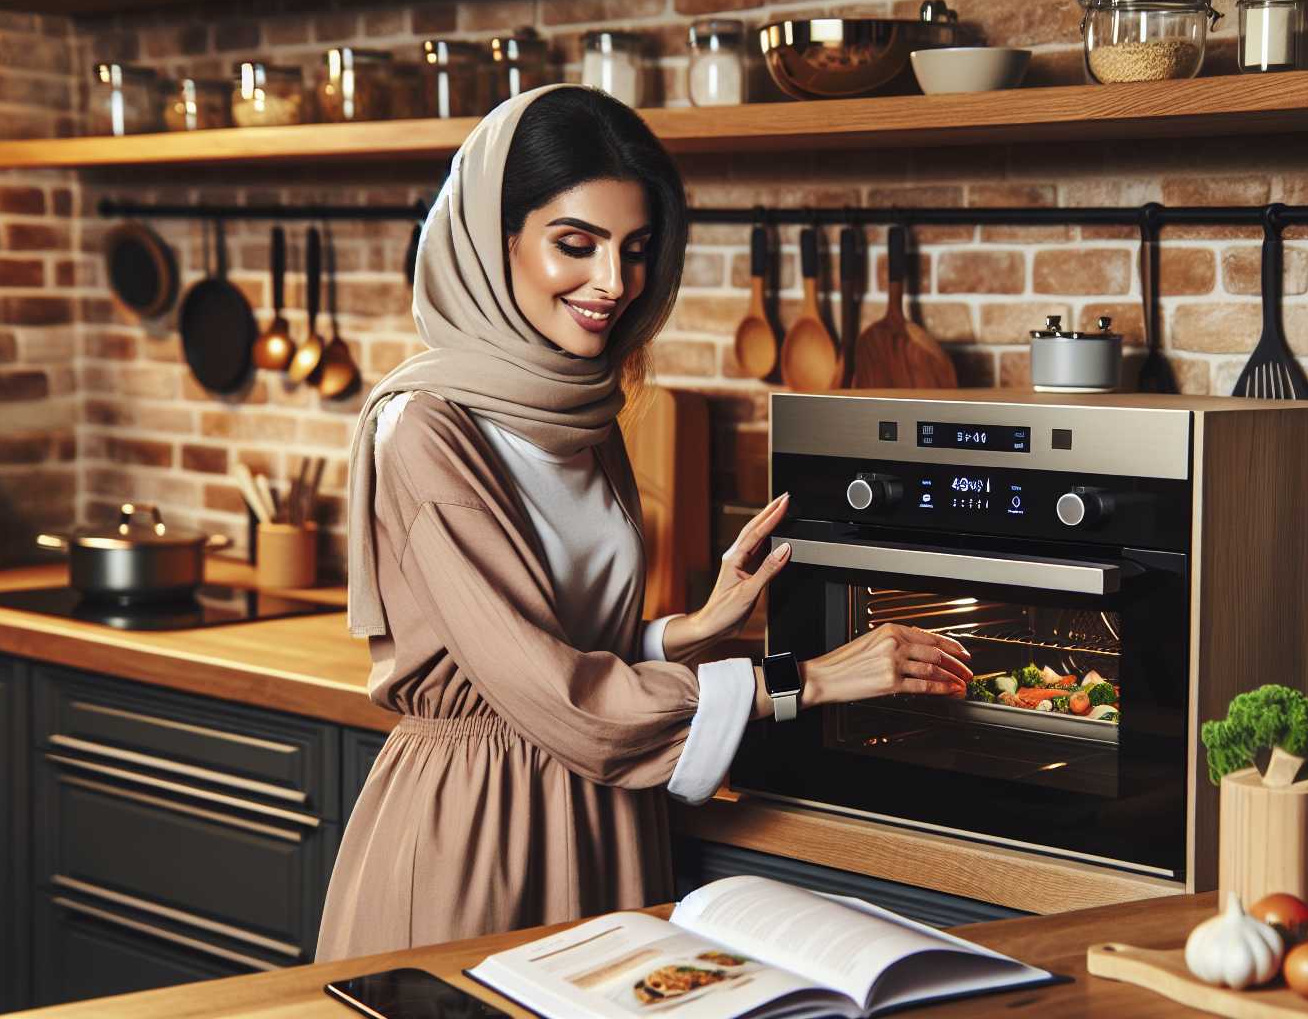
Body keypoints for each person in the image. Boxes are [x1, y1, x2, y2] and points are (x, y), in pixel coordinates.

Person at [315, 85, 974, 961]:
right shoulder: (427, 428)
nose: (612, 283)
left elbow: (566, 644)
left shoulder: (582, 409)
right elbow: (557, 697)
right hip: (479, 827)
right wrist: (803, 680)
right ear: (493, 237)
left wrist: (687, 631)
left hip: (606, 810)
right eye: (574, 245)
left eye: (635, 250)